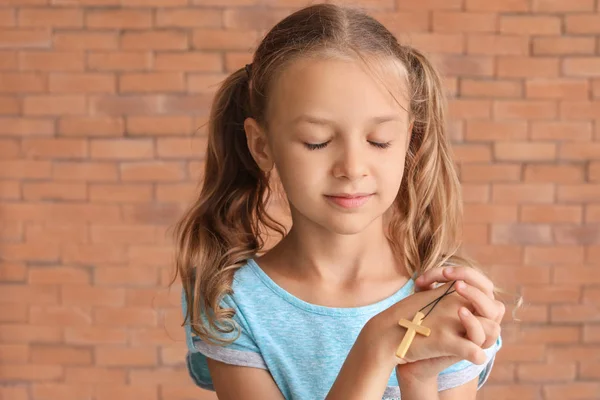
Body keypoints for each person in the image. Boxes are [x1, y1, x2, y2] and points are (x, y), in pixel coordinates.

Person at [174, 3, 509, 399]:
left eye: (379, 141)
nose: (352, 168)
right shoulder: (233, 302)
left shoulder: (442, 301)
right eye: (317, 141)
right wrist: (378, 345)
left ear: (409, 142)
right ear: (261, 145)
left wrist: (418, 379)